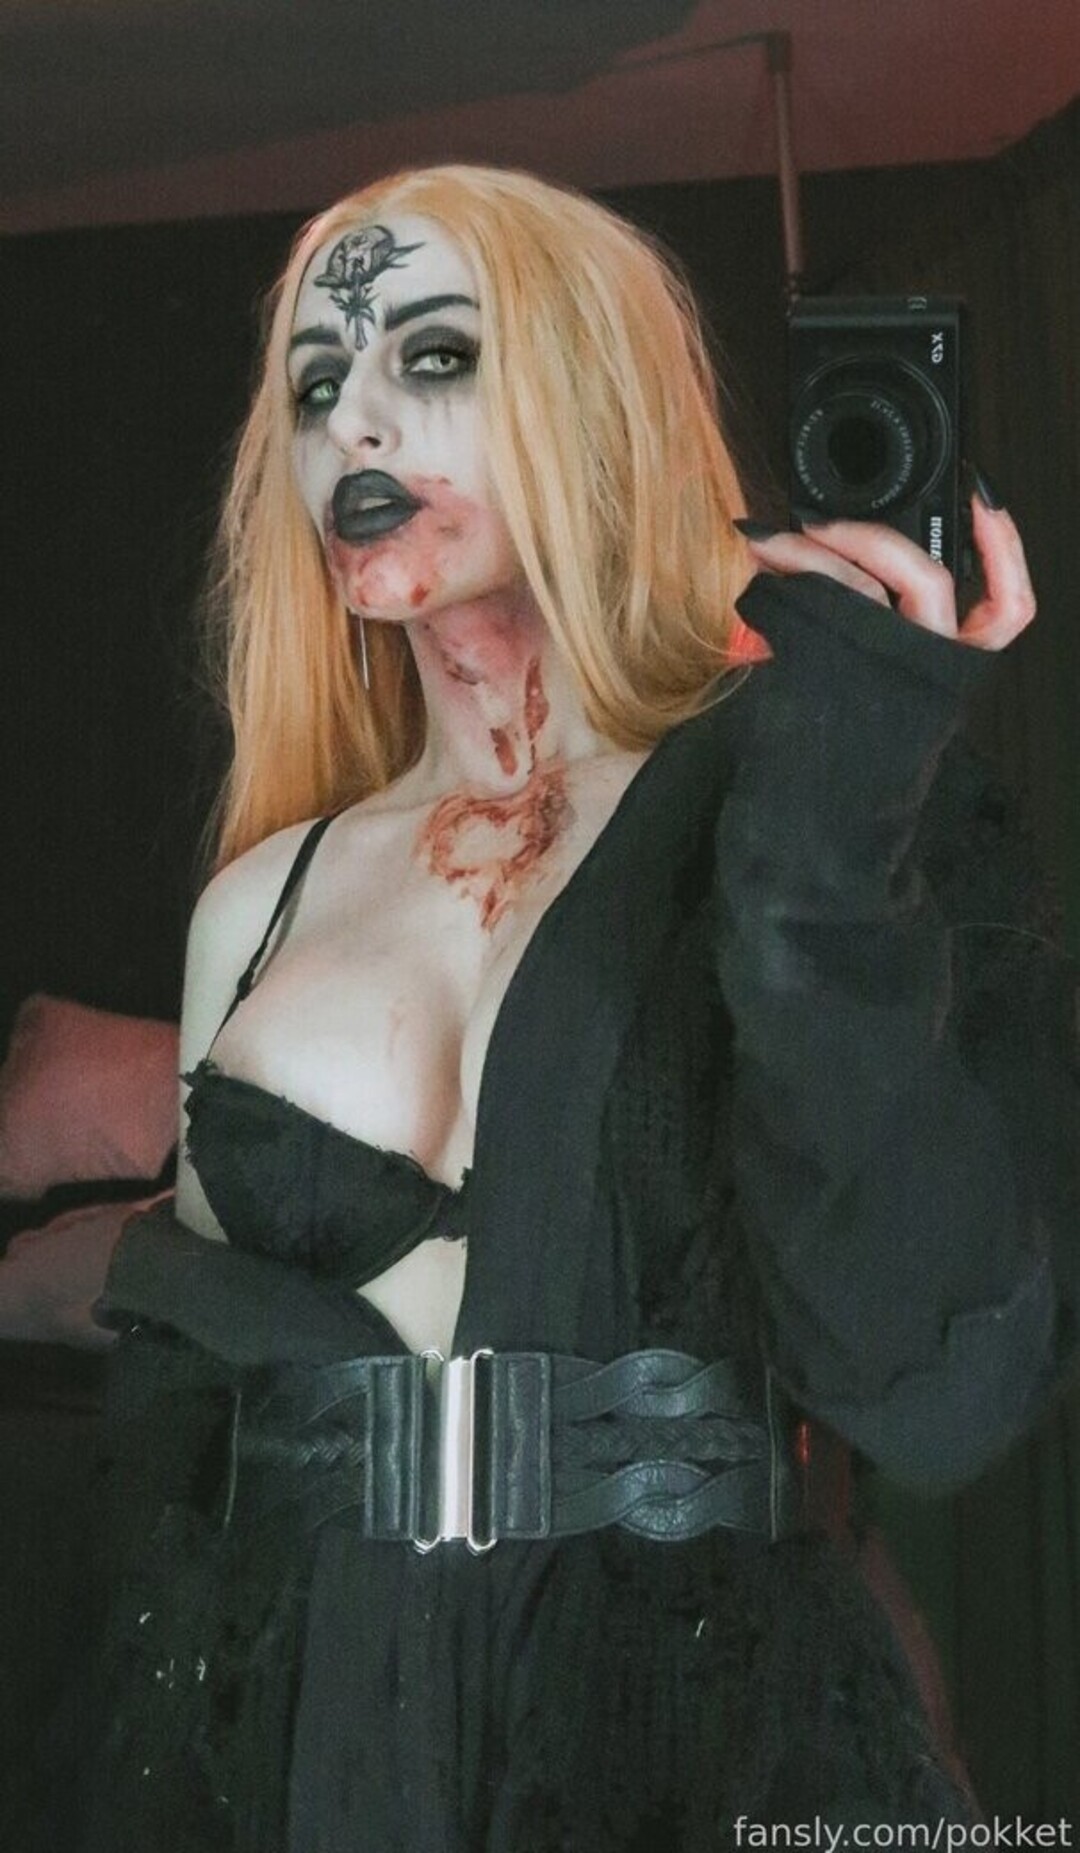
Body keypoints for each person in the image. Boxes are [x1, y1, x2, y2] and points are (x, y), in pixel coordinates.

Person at [77, 165, 1076, 1851]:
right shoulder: (259, 902)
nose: (353, 422)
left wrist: (839, 805)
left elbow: (934, 1385)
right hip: (297, 1731)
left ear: (589, 395)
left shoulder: (797, 809)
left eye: (434, 355)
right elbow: (174, 1446)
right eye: (316, 384)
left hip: (682, 1734)